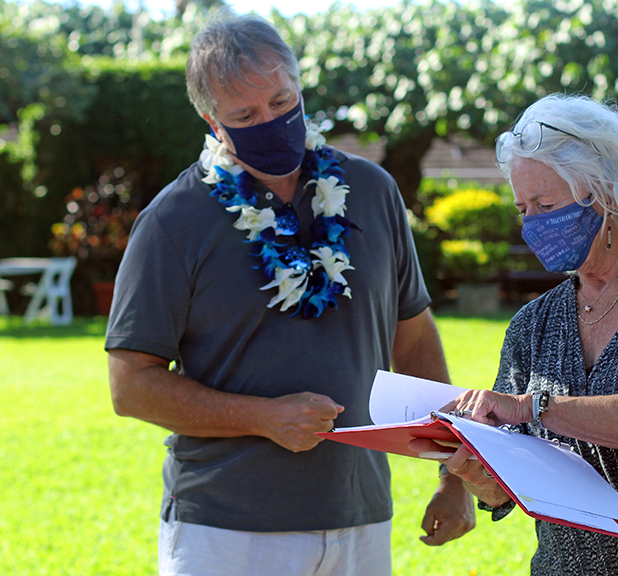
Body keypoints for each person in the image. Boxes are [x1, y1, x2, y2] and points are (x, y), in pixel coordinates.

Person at [105, 10, 474, 576]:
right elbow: (130, 385)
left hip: (361, 518)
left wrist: (453, 475)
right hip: (224, 530)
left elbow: (415, 338)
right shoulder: (173, 220)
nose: (272, 121)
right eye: (246, 115)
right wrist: (262, 417)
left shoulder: (372, 192)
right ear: (211, 121)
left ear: (300, 87)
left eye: (281, 102)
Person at [411, 94, 618, 575]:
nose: (532, 223)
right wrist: (470, 468)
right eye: (523, 207)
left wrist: (530, 406)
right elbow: (512, 481)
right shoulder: (533, 325)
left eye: (546, 204)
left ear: (607, 193)